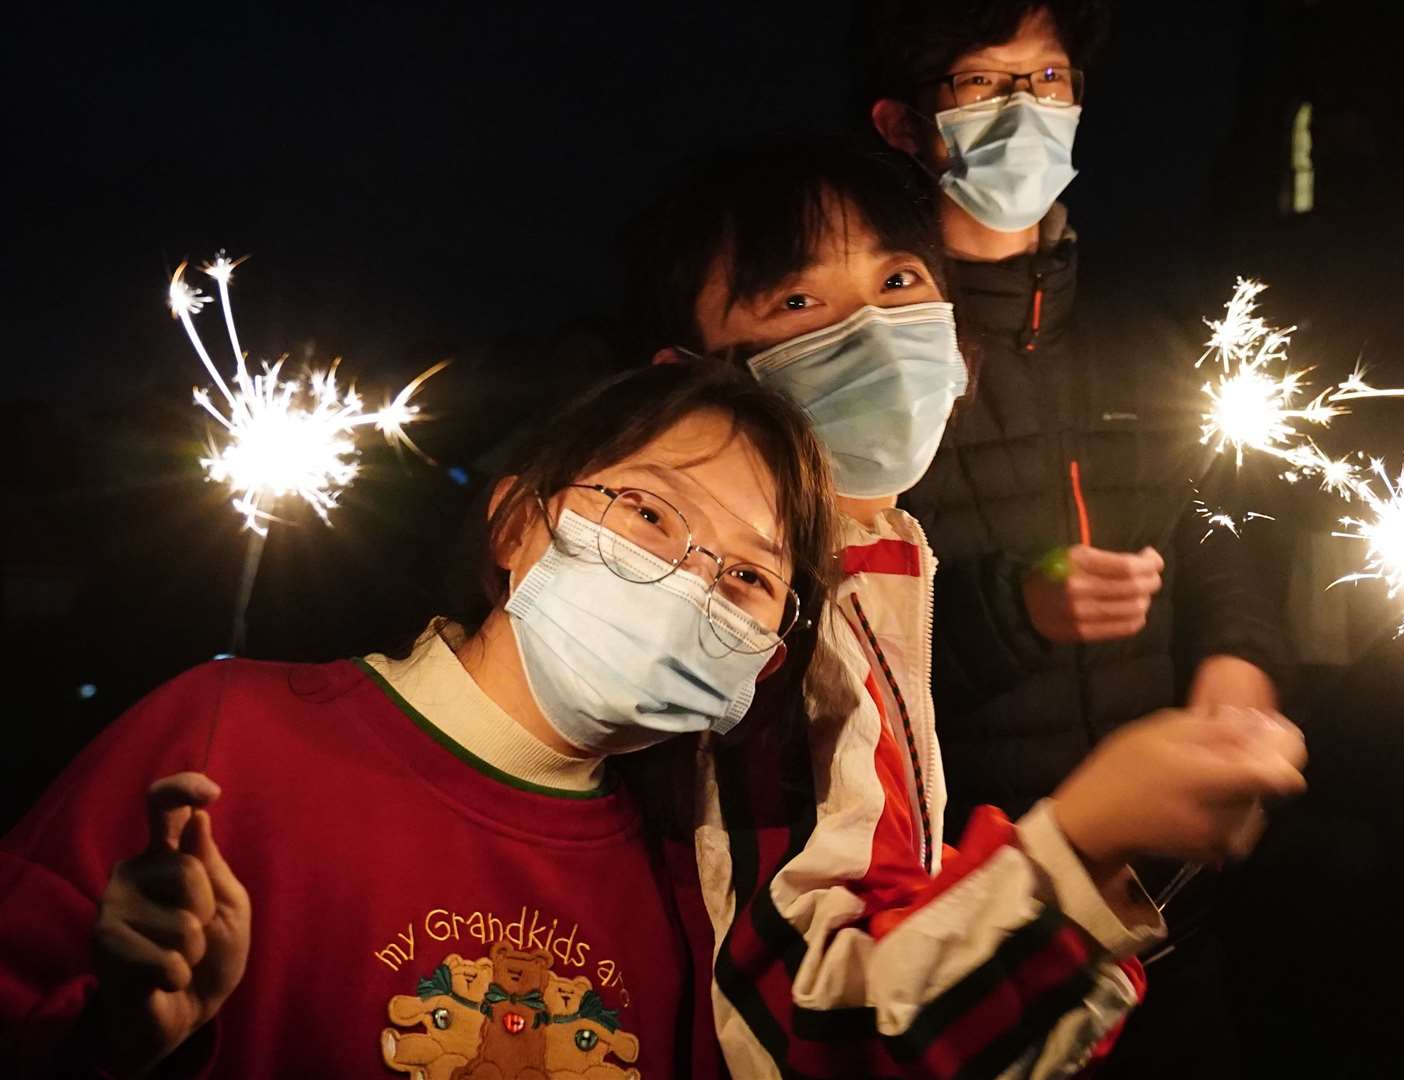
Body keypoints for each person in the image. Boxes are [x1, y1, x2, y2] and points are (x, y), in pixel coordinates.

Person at [631, 136, 1307, 1078]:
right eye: (798, 301)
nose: (872, 327)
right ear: (687, 373)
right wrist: (1081, 844)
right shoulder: (731, 623)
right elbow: (819, 1036)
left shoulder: (879, 554)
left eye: (901, 279)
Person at [0, 362, 840, 1077]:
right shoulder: (226, 737)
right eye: (652, 513)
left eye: (747, 577)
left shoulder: (700, 895)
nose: (692, 580)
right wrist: (109, 1043)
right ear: (517, 526)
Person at [855, 1, 1294, 1069]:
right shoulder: (872, 351)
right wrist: (1011, 608)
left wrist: (1240, 667)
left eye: (1046, 80)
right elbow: (826, 630)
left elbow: (1215, 517)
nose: (1023, 110)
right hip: (965, 891)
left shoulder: (1151, 320)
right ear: (904, 125)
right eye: (979, 83)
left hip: (1171, 898)